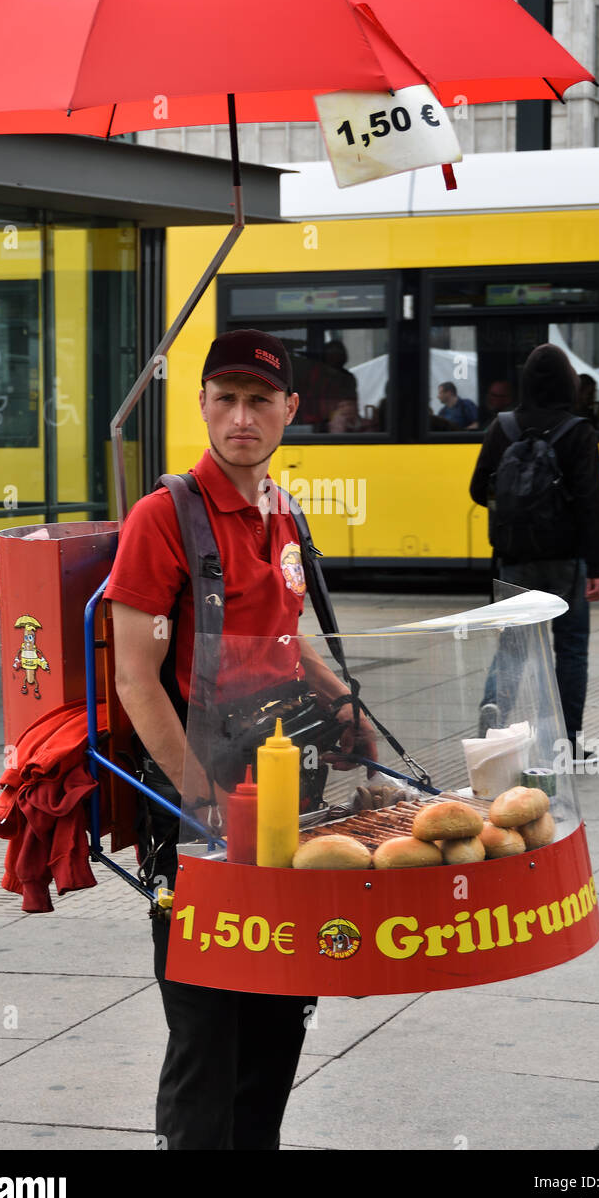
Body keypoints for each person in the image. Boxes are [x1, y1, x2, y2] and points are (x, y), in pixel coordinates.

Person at [104, 328, 377, 1150]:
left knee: (281, 1014)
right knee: (206, 1027)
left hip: (289, 798)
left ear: (291, 410)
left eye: (260, 400)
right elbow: (134, 678)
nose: (241, 416)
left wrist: (346, 702)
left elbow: (286, 638)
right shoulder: (164, 519)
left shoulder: (282, 511)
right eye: (224, 398)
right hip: (200, 812)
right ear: (202, 407)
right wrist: (202, 801)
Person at [469, 344, 599, 759]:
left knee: (513, 645)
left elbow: (478, 489)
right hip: (566, 562)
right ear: (568, 383)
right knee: (570, 649)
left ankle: (495, 722)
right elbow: (589, 504)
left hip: (514, 560)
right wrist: (597, 566)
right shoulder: (577, 430)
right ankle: (563, 743)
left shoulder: (503, 426)